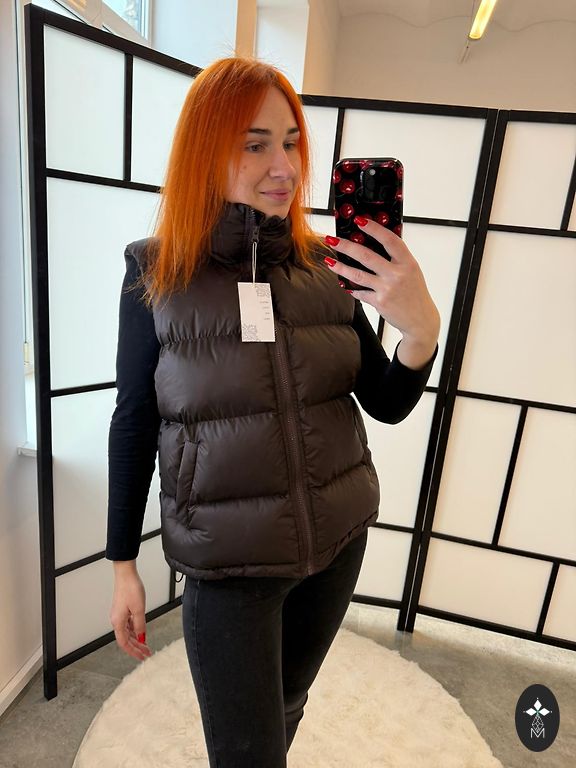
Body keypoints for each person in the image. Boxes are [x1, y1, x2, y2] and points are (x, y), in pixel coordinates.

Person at [106, 56, 440, 768]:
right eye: (255, 143)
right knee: (246, 753)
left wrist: (420, 334)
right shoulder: (155, 274)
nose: (284, 166)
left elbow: (385, 403)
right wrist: (122, 564)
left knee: (287, 708)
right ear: (205, 152)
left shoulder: (327, 268)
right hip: (231, 570)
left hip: (336, 546)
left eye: (290, 141)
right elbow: (134, 422)